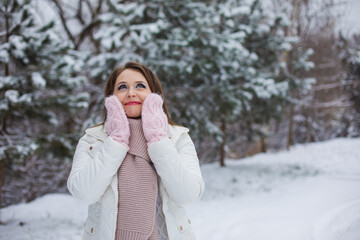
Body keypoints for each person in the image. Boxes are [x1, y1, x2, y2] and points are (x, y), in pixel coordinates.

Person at [67, 61, 205, 240]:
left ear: (154, 94)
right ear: (112, 97)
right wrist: (116, 141)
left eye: (140, 86)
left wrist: (157, 139)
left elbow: (187, 195)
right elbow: (84, 193)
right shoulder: (93, 140)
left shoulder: (178, 138)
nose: (131, 92)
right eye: (122, 87)